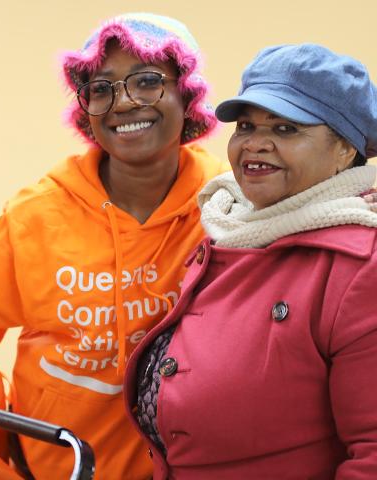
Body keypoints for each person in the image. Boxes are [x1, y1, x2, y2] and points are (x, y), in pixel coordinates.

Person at [0, 12, 228, 480]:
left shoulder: (227, 206)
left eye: (148, 81)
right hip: (53, 468)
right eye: (101, 88)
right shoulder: (33, 216)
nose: (124, 103)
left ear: (187, 94)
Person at [124, 43, 377, 479]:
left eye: (285, 128)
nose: (256, 143)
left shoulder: (359, 270)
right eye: (246, 126)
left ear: (343, 149)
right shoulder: (229, 226)